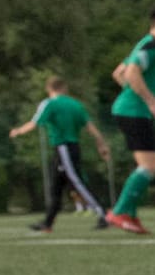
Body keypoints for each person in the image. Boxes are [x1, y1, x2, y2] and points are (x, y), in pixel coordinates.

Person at [105, 7, 155, 234]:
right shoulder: (151, 46)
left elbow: (119, 73)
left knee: (146, 166)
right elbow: (130, 73)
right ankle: (119, 212)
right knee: (150, 166)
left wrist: (139, 97)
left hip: (131, 109)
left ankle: (130, 215)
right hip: (134, 112)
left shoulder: (144, 44)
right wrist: (151, 102)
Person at [9, 77, 111, 233]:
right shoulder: (76, 105)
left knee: (77, 182)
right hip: (72, 148)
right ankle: (48, 222)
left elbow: (35, 122)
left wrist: (18, 130)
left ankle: (104, 214)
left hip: (63, 147)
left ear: (49, 89)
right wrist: (101, 144)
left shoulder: (50, 103)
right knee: (55, 186)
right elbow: (90, 127)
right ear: (65, 88)